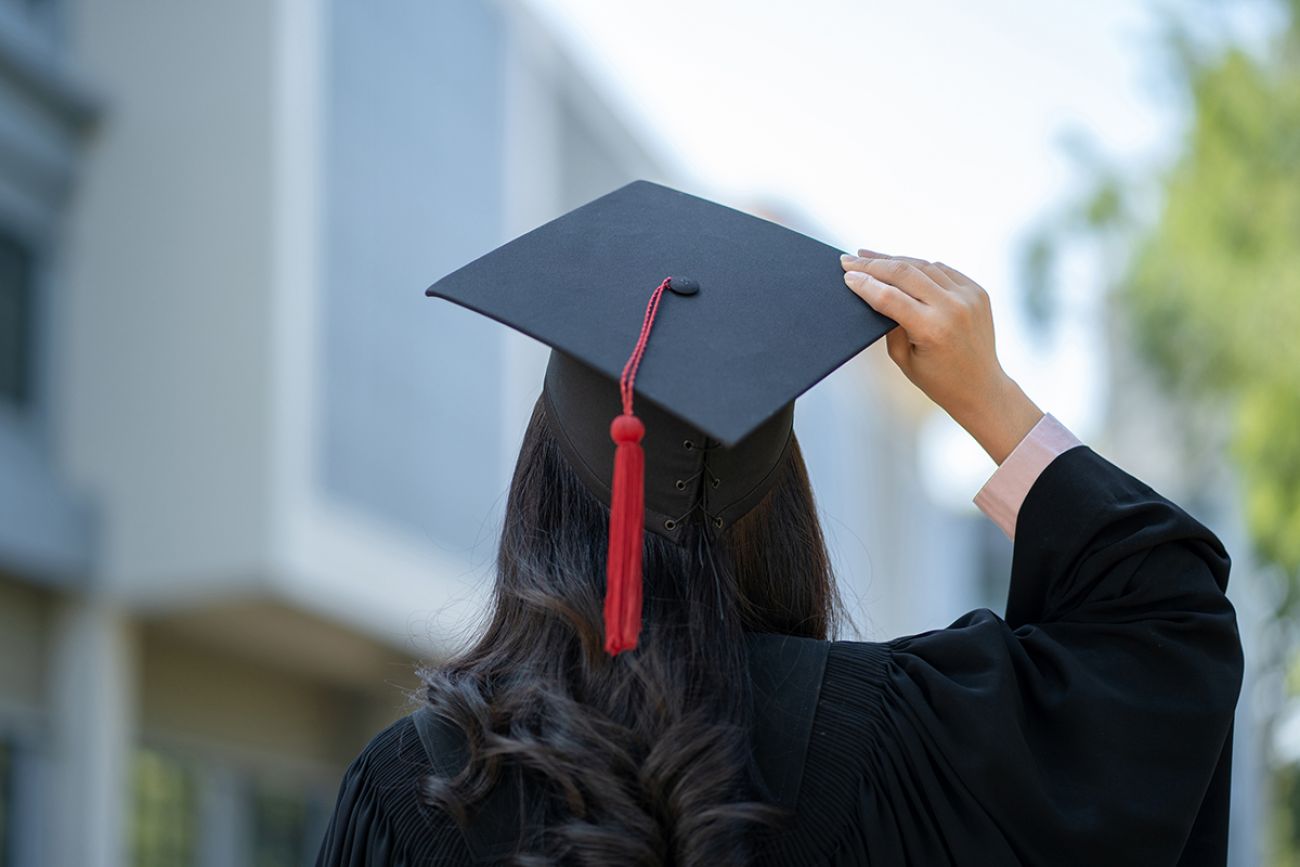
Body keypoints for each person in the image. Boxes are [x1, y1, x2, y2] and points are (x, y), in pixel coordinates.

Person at [315, 182, 1243, 866]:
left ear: (544, 491)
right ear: (784, 504)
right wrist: (992, 401)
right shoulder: (911, 741)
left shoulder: (414, 789)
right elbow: (1166, 625)